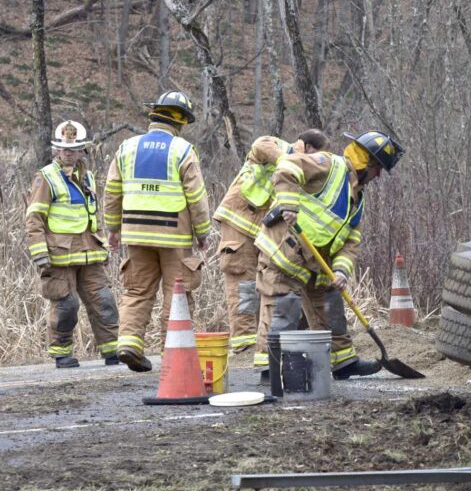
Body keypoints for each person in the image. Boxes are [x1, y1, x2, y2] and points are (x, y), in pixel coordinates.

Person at [252, 130, 404, 381]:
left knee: (331, 306)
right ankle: (271, 369)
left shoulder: (358, 199)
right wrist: (289, 204)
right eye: (377, 168)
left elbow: (351, 241)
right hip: (283, 254)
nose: (378, 175)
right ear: (364, 160)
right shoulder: (327, 164)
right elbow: (287, 165)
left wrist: (342, 271)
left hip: (317, 264)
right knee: (283, 307)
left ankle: (343, 362)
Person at [103, 91, 211, 372]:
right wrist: (203, 233)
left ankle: (128, 344)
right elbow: (196, 196)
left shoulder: (126, 147)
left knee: (136, 290)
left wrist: (113, 228)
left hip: (136, 234)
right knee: (177, 294)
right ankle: (173, 355)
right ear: (180, 122)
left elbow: (112, 191)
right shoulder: (183, 150)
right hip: (174, 236)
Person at [213, 130, 328, 353]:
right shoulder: (277, 145)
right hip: (239, 222)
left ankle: (262, 341)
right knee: (243, 283)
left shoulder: (304, 172)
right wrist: (289, 161)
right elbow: (260, 143)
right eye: (313, 155)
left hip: (264, 233)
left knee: (265, 284)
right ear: (306, 147)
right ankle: (244, 342)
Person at [25, 121, 119, 368]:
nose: (68, 152)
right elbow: (34, 219)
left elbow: (92, 216)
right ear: (56, 150)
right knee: (66, 305)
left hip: (89, 253)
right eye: (64, 148)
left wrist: (102, 247)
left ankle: (111, 351)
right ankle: (61, 353)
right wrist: (40, 254)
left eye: (74, 148)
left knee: (104, 301)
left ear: (82, 150)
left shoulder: (87, 177)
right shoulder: (45, 177)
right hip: (59, 256)